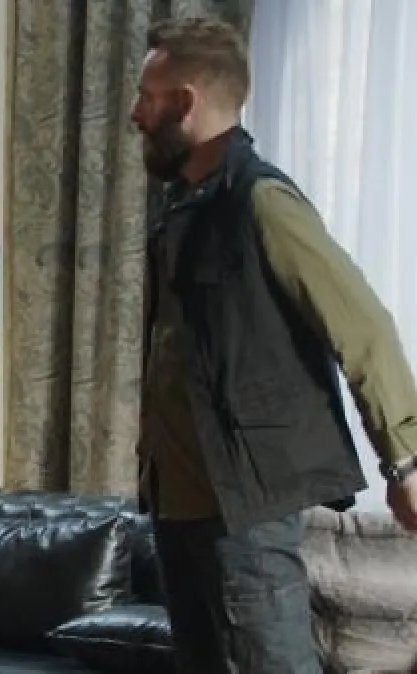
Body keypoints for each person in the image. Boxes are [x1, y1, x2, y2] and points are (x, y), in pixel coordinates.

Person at [131, 17, 417, 673]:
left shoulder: (262, 201)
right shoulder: (183, 207)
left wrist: (404, 460)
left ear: (185, 102)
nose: (135, 113)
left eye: (147, 97)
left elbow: (363, 326)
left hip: (244, 507)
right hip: (177, 504)